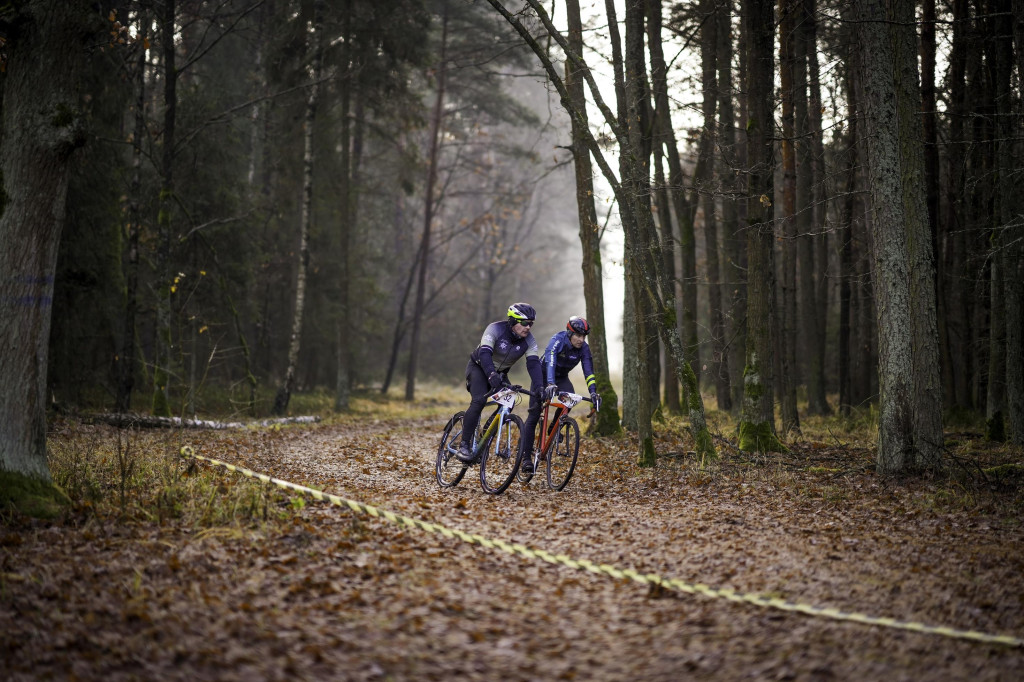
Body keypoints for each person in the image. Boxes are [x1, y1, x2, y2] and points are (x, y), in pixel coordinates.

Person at [456, 302, 544, 463]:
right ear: (512, 321)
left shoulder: (529, 341)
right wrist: (490, 374)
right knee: (479, 400)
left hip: (500, 374)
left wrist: (539, 386)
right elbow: (485, 353)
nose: (528, 327)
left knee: (508, 403)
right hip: (479, 367)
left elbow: (533, 363)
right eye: (524, 323)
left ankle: (484, 437)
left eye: (531, 323)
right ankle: (464, 445)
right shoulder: (495, 329)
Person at [520, 315, 601, 473]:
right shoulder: (558, 340)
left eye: (584, 336)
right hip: (543, 376)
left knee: (570, 398)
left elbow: (589, 371)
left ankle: (553, 428)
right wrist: (550, 383)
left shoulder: (584, 348)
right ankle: (526, 459)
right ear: (570, 334)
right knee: (534, 414)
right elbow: (550, 361)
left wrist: (593, 393)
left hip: (562, 378)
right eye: (578, 335)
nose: (581, 339)